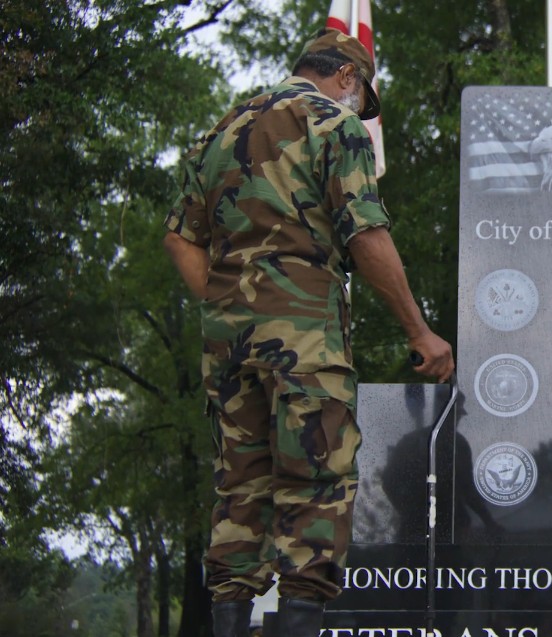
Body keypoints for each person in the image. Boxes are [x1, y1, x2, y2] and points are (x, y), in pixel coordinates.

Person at [162, 29, 454, 637]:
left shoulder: (221, 131)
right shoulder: (334, 126)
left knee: (239, 489)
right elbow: (366, 237)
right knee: (314, 484)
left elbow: (178, 236)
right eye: (362, 96)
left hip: (229, 347)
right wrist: (420, 331)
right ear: (346, 77)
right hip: (305, 342)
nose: (360, 111)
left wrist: (229, 304)